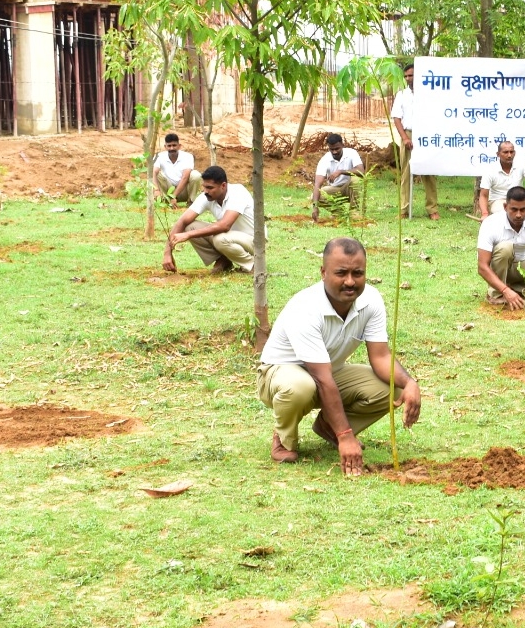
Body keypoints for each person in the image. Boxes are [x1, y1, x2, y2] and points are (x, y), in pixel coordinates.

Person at [257, 237, 421, 473]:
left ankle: (328, 427)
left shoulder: (371, 300)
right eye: (341, 273)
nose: (350, 281)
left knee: (393, 388)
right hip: (279, 375)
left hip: (329, 372)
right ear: (323, 272)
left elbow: (381, 357)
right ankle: (285, 439)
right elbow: (322, 379)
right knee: (300, 387)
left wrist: (410, 383)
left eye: (358, 273)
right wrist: (345, 436)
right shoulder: (306, 308)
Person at [163, 166, 255, 273]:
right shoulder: (206, 196)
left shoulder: (238, 193)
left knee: (219, 239)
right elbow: (183, 221)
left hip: (253, 241)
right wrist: (167, 252)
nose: (205, 191)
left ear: (223, 185)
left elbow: (225, 225)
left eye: (210, 188)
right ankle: (223, 261)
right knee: (190, 226)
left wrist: (188, 235)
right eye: (204, 187)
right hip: (230, 238)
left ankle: (252, 265)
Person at [477, 186, 525, 308]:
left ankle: (515, 288)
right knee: (505, 248)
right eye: (514, 209)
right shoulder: (490, 223)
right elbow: (482, 267)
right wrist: (505, 290)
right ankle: (496, 294)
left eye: (523, 210)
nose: (518, 215)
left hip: (520, 265)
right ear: (505, 207)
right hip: (496, 267)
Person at [390, 62, 439, 220]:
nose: (408, 78)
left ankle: (432, 209)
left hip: (426, 136)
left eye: (411, 75)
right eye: (405, 76)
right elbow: (396, 118)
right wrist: (404, 138)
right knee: (406, 172)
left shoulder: (430, 94)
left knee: (428, 172)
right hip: (409, 134)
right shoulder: (401, 95)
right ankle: (404, 209)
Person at [477, 140, 525, 219]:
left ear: (514, 153)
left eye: (511, 152)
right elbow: (483, 195)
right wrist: (485, 214)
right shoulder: (490, 170)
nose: (509, 155)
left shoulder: (521, 165)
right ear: (498, 154)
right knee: (504, 214)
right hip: (499, 201)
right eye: (505, 152)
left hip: (519, 198)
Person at [312, 133, 364, 221]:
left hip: (350, 188)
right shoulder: (325, 160)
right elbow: (317, 184)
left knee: (356, 179)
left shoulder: (351, 153)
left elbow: (361, 172)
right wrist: (315, 207)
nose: (334, 152)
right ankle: (340, 213)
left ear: (342, 145)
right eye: (331, 149)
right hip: (335, 189)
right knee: (315, 196)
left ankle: (354, 212)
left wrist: (341, 171)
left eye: (337, 148)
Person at [152, 132, 200, 207]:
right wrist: (156, 190)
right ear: (165, 146)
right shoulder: (159, 156)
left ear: (179, 146)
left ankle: (191, 201)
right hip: (168, 190)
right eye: (169, 146)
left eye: (174, 145)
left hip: (184, 191)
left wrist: (173, 196)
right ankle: (163, 201)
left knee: (196, 175)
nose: (172, 148)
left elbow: (185, 177)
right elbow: (154, 172)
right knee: (155, 174)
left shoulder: (188, 156)